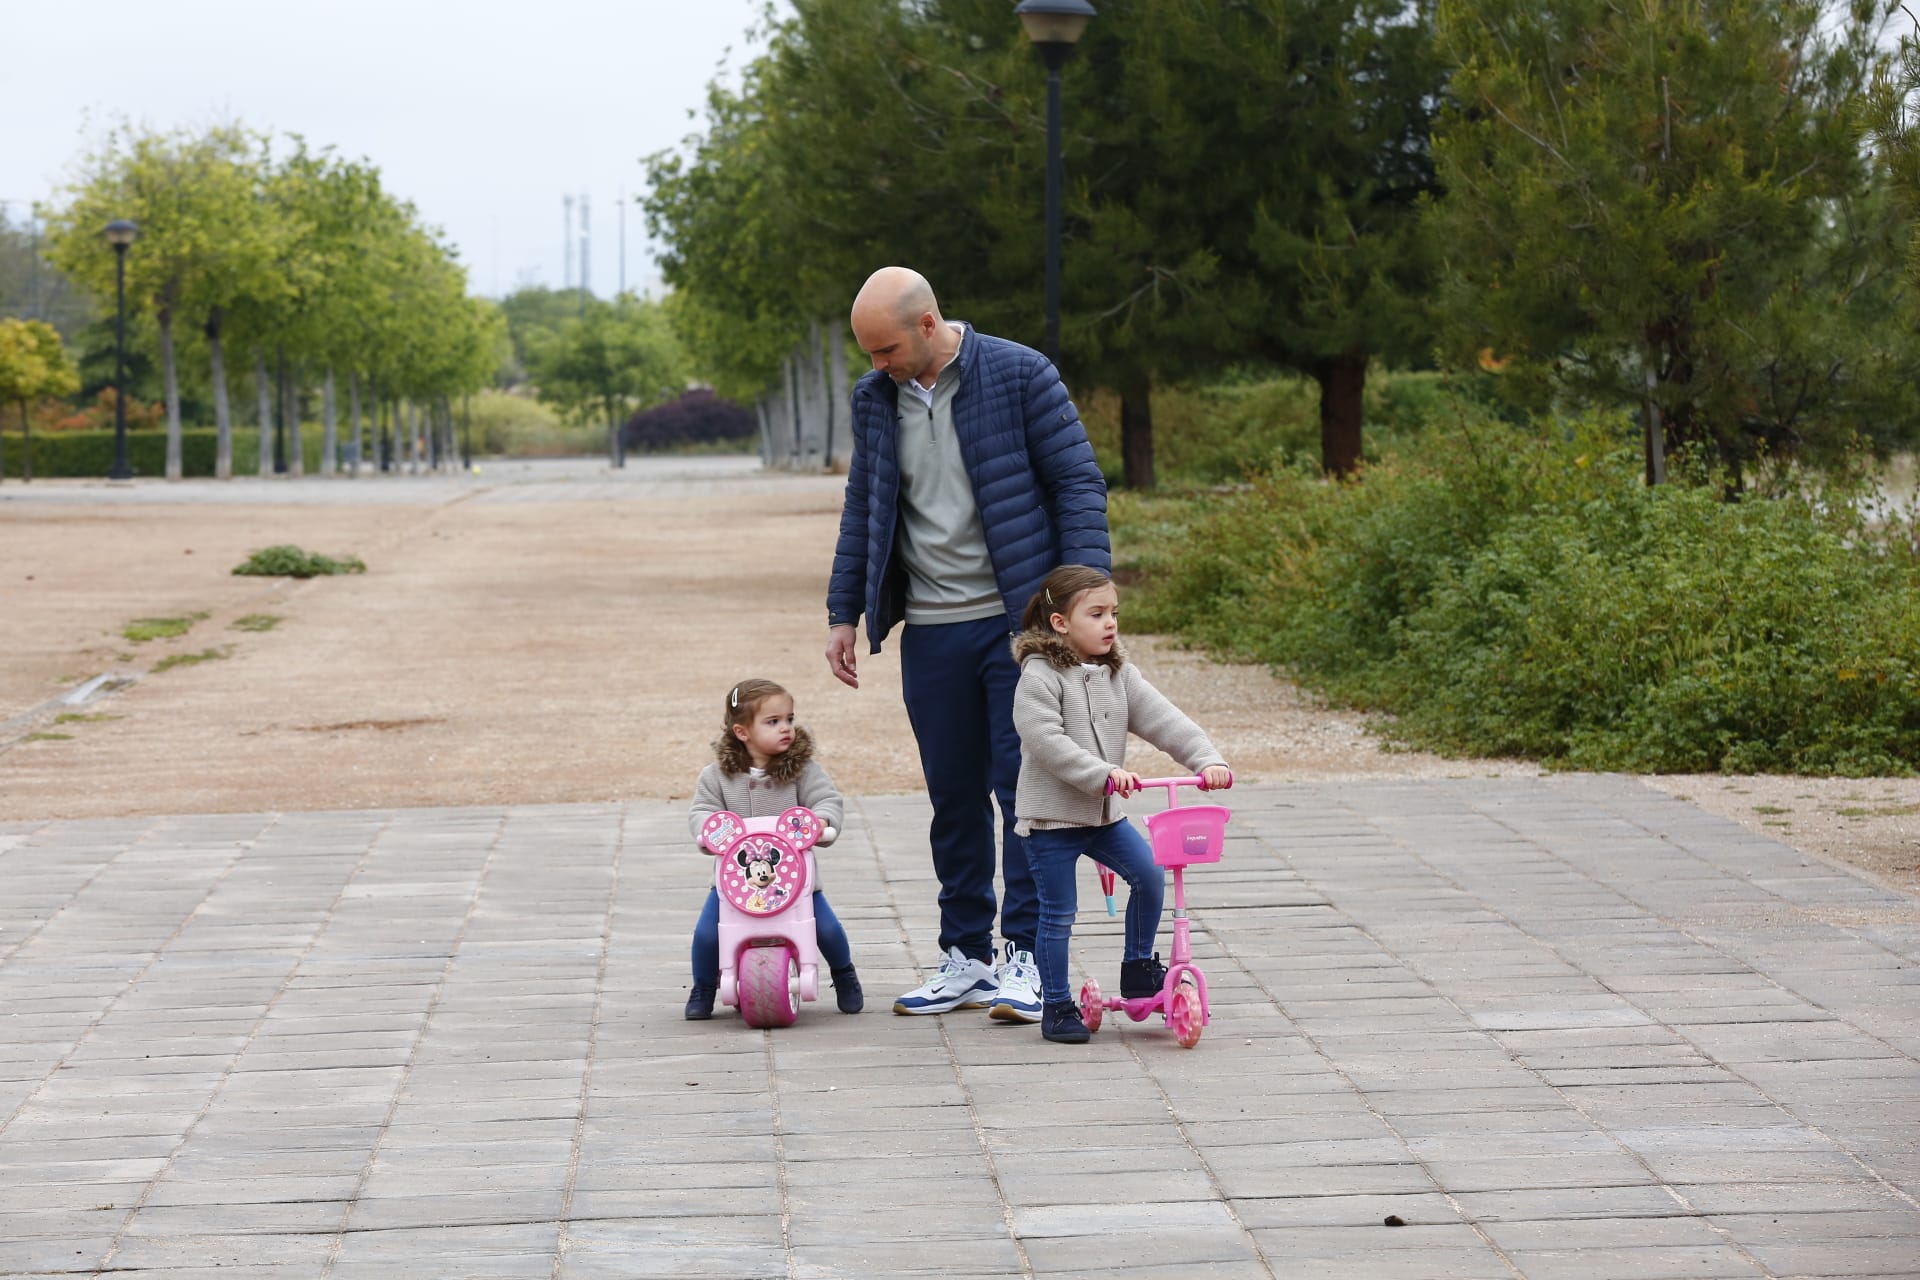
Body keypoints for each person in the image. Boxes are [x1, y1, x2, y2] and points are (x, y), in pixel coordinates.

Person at [825, 265, 1110, 1023]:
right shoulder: (875, 398)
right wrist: (843, 610)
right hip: (932, 629)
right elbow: (865, 502)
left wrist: (1085, 604)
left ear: (927, 325)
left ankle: (1024, 956)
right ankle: (967, 958)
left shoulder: (1020, 374)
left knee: (1025, 794)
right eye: (868, 353)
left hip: (1018, 631)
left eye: (884, 349)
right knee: (951, 797)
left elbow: (1079, 484)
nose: (875, 364)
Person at [1010, 565, 1232, 1044]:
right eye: (1096, 613)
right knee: (1058, 912)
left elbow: (1165, 720)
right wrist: (1104, 774)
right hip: (1051, 820)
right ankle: (1056, 1005)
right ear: (1060, 623)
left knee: (1151, 875)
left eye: (1114, 612)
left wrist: (1207, 759)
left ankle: (1136, 967)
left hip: (1103, 817)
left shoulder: (1119, 674)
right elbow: (1046, 741)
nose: (1110, 623)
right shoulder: (1039, 677)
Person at [684, 678, 862, 1019]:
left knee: (825, 927)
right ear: (742, 732)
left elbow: (826, 799)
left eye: (789, 719)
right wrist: (707, 832)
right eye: (773, 722)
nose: (786, 728)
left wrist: (821, 822)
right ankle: (704, 986)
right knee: (708, 934)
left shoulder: (802, 770)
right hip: (738, 883)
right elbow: (702, 810)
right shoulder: (717, 775)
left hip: (793, 883)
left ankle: (844, 973)